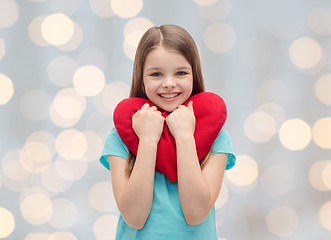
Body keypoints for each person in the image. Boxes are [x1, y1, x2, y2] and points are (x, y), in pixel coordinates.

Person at [99, 24, 236, 239]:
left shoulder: (216, 137)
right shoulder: (120, 137)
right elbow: (134, 217)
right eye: (156, 74)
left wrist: (184, 137)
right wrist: (148, 140)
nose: (169, 83)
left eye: (181, 72)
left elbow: (196, 213)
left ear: (194, 75)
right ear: (141, 78)